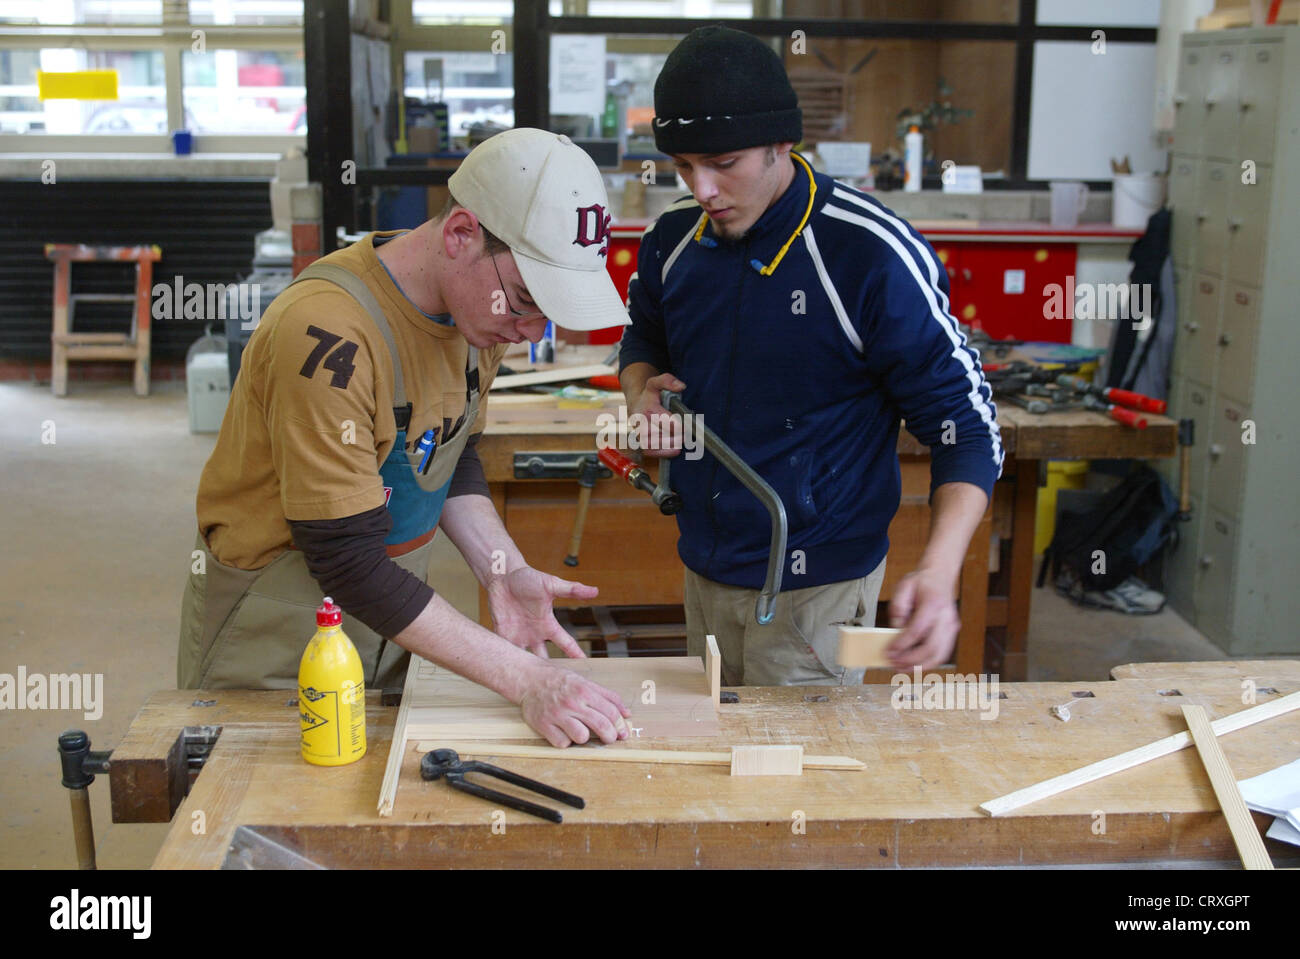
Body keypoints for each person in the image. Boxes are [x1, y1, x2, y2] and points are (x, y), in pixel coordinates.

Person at [178, 128, 632, 747]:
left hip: (385, 620)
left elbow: (451, 450)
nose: (530, 330)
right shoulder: (328, 334)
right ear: (460, 233)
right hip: (275, 637)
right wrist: (526, 679)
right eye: (525, 300)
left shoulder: (476, 318)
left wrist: (502, 570)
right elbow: (345, 558)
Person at [618, 27, 1004, 686]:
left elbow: (966, 427)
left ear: (781, 144)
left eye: (724, 163)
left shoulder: (870, 255)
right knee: (710, 760)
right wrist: (641, 388)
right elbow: (644, 336)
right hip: (705, 565)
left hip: (816, 590)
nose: (702, 190)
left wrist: (940, 574)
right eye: (684, 166)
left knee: (793, 783)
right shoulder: (673, 239)